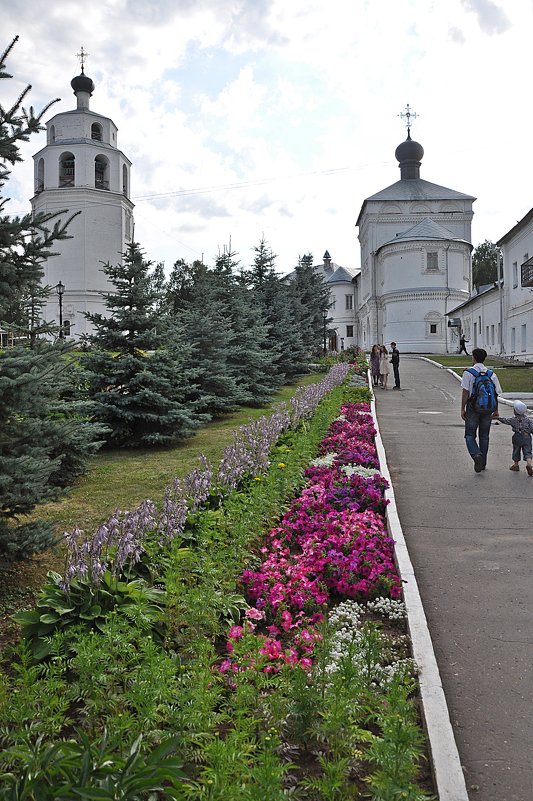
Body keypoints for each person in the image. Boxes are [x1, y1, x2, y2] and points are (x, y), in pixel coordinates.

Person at [460, 348, 502, 472]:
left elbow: (465, 392)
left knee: (469, 435)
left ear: (473, 357)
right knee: (484, 436)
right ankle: (482, 463)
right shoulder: (491, 374)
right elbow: (495, 394)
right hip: (488, 409)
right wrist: (496, 410)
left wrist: (462, 408)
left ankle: (476, 455)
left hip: (473, 408)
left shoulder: (469, 373)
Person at [494, 399, 533, 476]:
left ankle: (516, 465)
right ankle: (529, 464)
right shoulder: (528, 420)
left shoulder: (513, 419)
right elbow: (532, 427)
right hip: (526, 436)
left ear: (515, 411)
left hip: (517, 437)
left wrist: (497, 418)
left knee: (516, 450)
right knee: (528, 451)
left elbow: (505, 420)